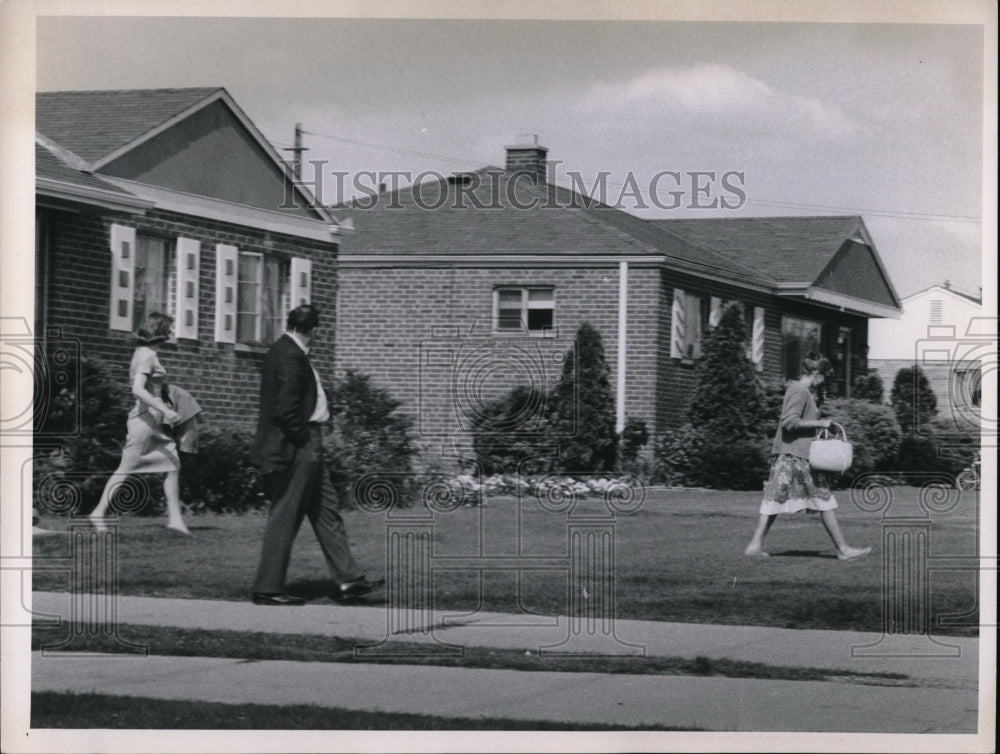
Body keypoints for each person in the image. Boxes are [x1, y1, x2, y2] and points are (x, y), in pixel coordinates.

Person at [250, 304, 381, 606]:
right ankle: (267, 587)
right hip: (300, 443)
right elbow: (286, 409)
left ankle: (348, 580)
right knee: (286, 513)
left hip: (307, 442)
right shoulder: (291, 356)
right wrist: (303, 438)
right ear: (315, 331)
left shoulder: (285, 351)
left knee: (326, 512)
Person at [744, 353, 871, 561]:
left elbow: (798, 421)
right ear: (816, 373)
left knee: (775, 499)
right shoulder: (799, 391)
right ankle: (843, 550)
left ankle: (755, 545)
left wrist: (818, 406)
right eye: (825, 377)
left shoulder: (803, 392)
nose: (825, 381)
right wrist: (820, 423)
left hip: (794, 454)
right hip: (795, 456)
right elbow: (789, 422)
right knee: (823, 499)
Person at [89, 313, 190, 534]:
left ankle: (175, 520)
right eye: (168, 329)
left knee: (172, 465)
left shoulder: (145, 353)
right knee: (126, 468)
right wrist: (164, 409)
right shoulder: (146, 356)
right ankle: (98, 513)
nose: (171, 333)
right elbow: (138, 389)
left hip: (152, 420)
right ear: (160, 332)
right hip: (144, 422)